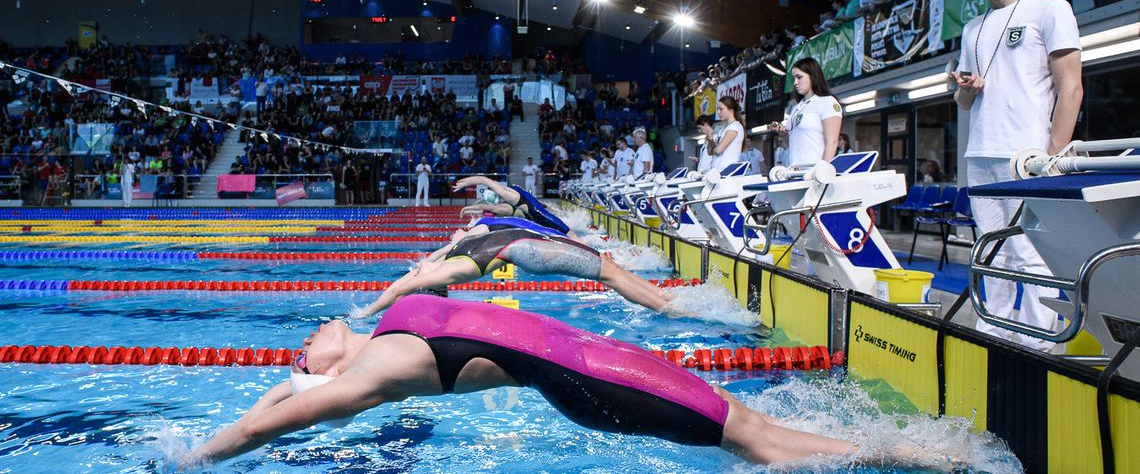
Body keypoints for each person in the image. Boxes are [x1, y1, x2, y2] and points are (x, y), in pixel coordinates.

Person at [176, 295, 949, 471]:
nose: (304, 340)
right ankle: (910, 456)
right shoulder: (369, 372)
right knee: (754, 439)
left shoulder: (385, 327)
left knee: (744, 419)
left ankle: (890, 450)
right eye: (300, 352)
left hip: (589, 356)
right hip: (585, 381)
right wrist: (186, 461)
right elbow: (256, 428)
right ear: (320, 369)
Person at [948, 0, 1083, 351]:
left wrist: (1053, 155)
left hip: (1027, 154)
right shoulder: (973, 28)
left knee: (1030, 251)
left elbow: (1071, 88)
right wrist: (968, 87)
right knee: (991, 252)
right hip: (981, 152)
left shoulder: (1050, 10)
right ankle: (996, 328)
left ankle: (1038, 340)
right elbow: (963, 103)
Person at [355, 224, 671, 316]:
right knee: (609, 273)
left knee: (609, 268)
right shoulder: (445, 272)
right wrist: (366, 312)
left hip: (531, 244)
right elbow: (398, 289)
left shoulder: (449, 254)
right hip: (530, 251)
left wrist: (430, 259)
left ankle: (663, 297)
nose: (415, 268)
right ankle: (666, 307)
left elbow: (417, 272)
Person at [769, 58, 842, 166]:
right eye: (794, 78)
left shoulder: (827, 102)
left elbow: (832, 142)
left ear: (813, 76)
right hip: (794, 173)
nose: (795, 82)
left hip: (814, 175)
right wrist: (783, 135)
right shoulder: (796, 108)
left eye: (799, 77)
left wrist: (822, 173)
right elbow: (794, 144)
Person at [454, 174, 570, 235]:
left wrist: (465, 183)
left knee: (566, 231)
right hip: (538, 209)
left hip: (538, 214)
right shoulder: (509, 191)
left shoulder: (504, 198)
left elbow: (482, 180)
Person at [710, 97, 745, 171]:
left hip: (726, 172)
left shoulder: (735, 126)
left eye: (721, 109)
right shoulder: (723, 128)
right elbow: (711, 151)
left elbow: (719, 150)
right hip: (717, 171)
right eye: (717, 109)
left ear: (731, 110)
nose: (718, 112)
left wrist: (714, 149)